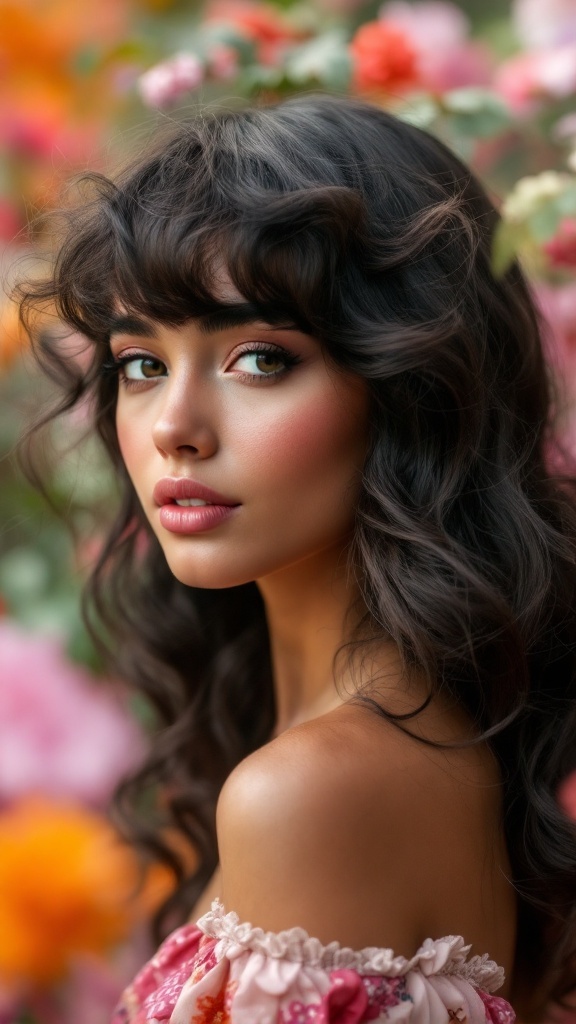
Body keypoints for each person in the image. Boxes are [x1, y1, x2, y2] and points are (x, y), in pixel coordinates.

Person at [20, 94, 576, 1024]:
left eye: (260, 359)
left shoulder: (318, 790)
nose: (175, 429)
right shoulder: (421, 743)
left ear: (412, 389)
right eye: (141, 364)